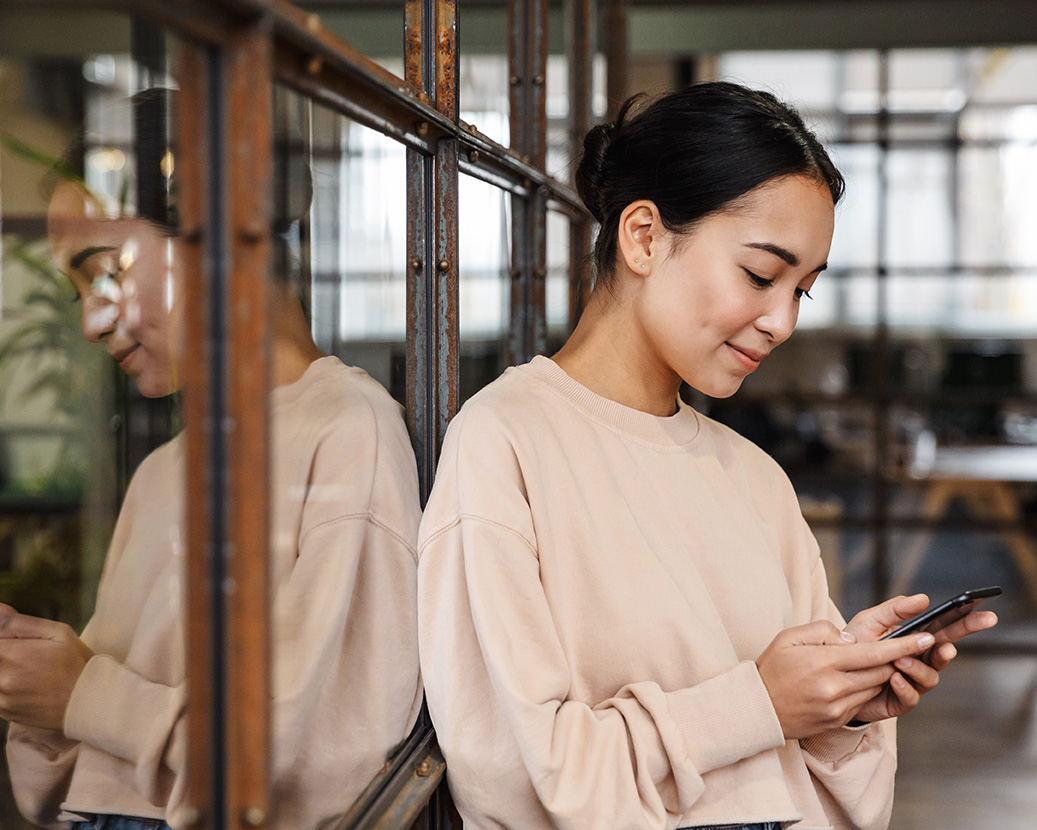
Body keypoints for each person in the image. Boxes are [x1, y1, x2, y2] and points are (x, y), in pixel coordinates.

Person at [416, 82, 998, 830]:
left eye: (802, 291)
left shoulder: (753, 478)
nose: (781, 320)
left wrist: (840, 707)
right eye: (760, 275)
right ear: (644, 237)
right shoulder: (505, 442)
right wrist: (759, 702)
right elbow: (513, 780)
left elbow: (819, 791)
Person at [2, 162, 422, 827]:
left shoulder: (348, 429)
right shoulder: (163, 469)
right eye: (76, 289)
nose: (89, 321)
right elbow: (67, 779)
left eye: (105, 271)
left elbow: (330, 755)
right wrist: (37, 689)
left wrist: (82, 692)